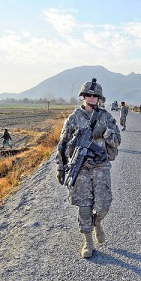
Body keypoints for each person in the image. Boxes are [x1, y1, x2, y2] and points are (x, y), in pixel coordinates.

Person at [55, 78, 121, 259]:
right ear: (83, 96)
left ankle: (97, 223)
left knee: (103, 205)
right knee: (84, 206)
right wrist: (60, 167)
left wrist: (105, 132)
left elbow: (117, 141)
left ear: (99, 98)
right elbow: (62, 143)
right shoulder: (74, 118)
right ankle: (88, 240)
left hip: (100, 165)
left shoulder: (106, 117)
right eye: (88, 95)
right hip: (81, 167)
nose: (91, 98)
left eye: (95, 95)